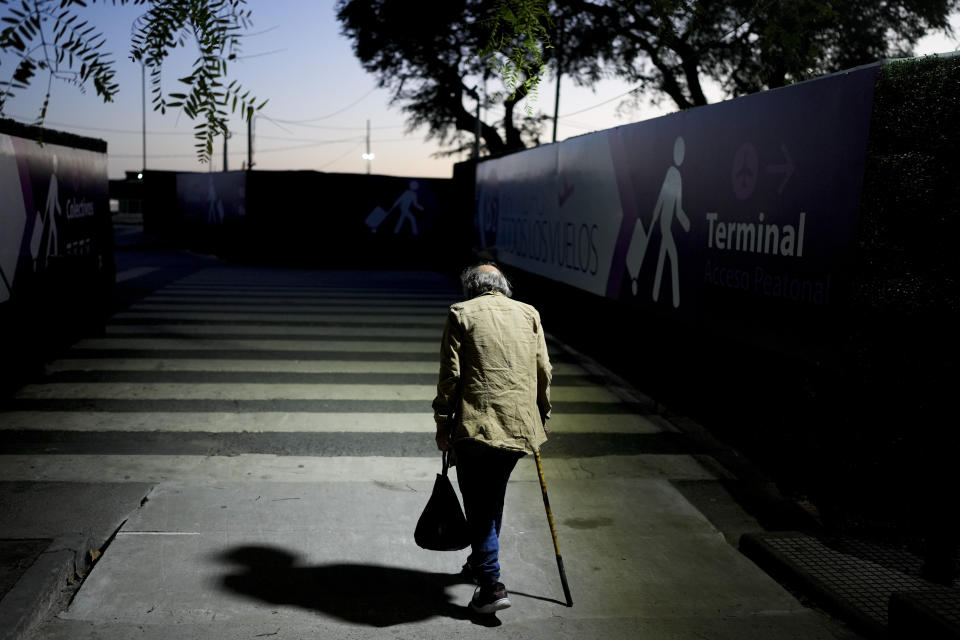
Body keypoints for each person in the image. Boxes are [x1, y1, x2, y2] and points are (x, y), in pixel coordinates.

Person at [432, 262, 552, 614]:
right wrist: (541, 415)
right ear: (503, 286)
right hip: (518, 426)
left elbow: (450, 376)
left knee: (480, 506)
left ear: (473, 287)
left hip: (476, 426)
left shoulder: (461, 313)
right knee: (491, 497)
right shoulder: (529, 313)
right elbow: (543, 370)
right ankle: (478, 563)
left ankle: (490, 586)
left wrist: (442, 421)